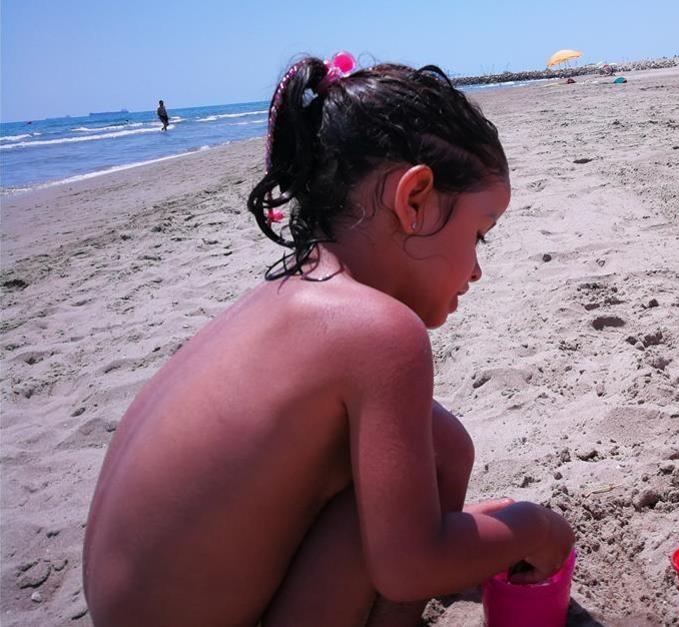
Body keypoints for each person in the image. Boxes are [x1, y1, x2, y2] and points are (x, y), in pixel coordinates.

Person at [83, 56, 575, 626]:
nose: (476, 270)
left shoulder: (284, 299)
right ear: (414, 199)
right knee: (411, 517)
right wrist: (536, 528)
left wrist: (472, 537)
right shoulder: (380, 331)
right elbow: (408, 567)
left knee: (441, 446)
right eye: (479, 236)